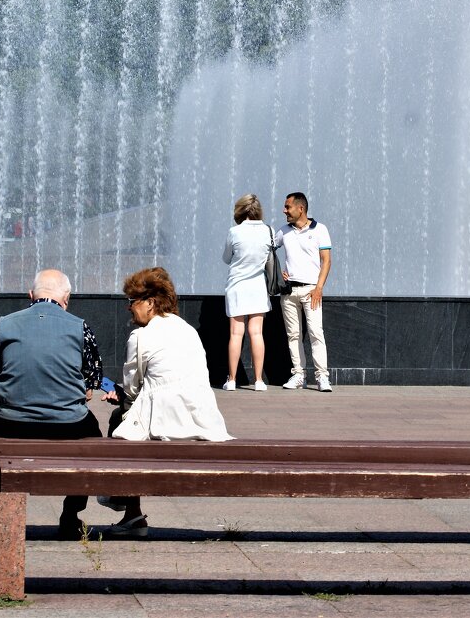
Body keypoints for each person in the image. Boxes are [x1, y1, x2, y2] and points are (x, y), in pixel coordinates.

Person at [0, 269, 103, 539]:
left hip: (8, 425)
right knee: (93, 430)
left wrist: (13, 399)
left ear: (31, 296)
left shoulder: (5, 323)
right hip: (68, 426)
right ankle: (71, 511)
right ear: (67, 298)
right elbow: (90, 387)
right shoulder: (79, 326)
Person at [100, 266, 232, 537]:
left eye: (132, 301)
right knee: (128, 415)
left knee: (120, 419)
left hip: (167, 424)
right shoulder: (188, 330)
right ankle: (130, 514)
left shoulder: (141, 336)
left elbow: (132, 390)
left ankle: (122, 498)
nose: (128, 308)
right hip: (205, 423)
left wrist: (120, 396)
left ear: (150, 303)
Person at [274, 192, 333, 393]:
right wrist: (277, 271)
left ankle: (322, 377)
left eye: (287, 207)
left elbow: (326, 260)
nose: (284, 210)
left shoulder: (320, 230)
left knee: (317, 333)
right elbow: (269, 251)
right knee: (293, 335)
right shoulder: (283, 231)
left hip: (310, 291)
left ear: (301, 208)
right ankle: (298, 374)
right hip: (289, 292)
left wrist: (319, 288)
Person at [221, 193, 271, 391]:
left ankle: (232, 380)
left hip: (237, 287)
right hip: (258, 286)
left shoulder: (235, 232)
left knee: (236, 333)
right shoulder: (268, 231)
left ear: (240, 210)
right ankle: (259, 381)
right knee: (257, 333)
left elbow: (226, 258)